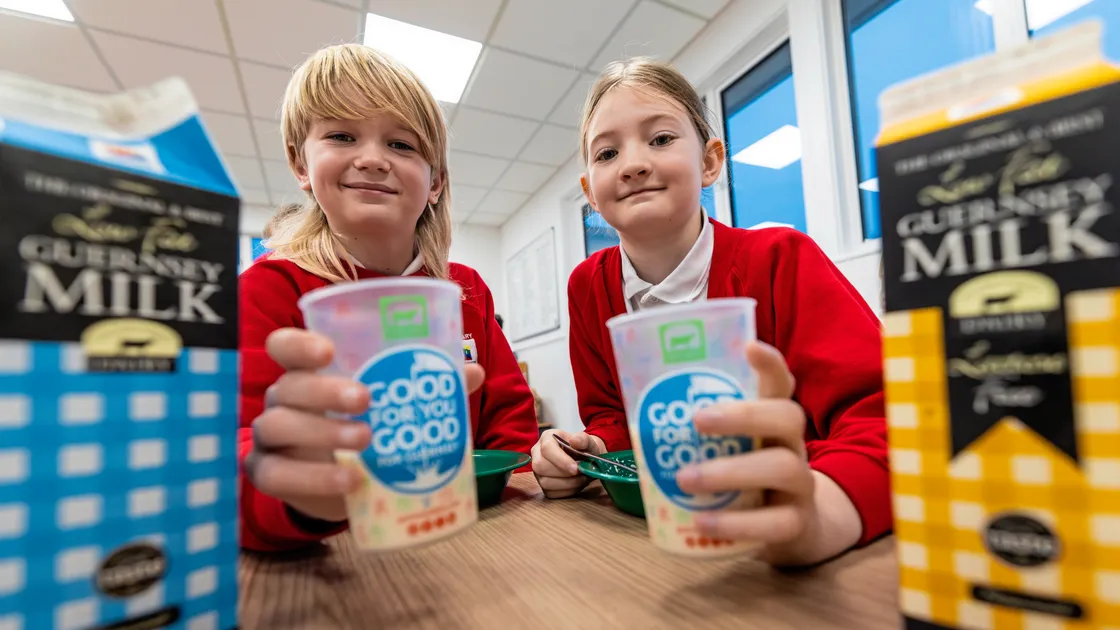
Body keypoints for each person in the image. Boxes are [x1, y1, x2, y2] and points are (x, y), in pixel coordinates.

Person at [531, 58, 890, 567]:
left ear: (710, 162)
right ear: (590, 192)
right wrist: (590, 448)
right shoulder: (587, 287)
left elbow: (885, 416)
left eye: (660, 139)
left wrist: (820, 513)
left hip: (782, 535)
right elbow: (613, 417)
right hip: (651, 541)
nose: (633, 164)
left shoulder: (781, 259)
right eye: (607, 153)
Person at [238, 44, 537, 552]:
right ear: (300, 163)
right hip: (334, 551)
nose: (373, 159)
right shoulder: (269, 289)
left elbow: (511, 424)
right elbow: (237, 454)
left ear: (436, 182)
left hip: (468, 538)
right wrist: (302, 498)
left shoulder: (465, 290)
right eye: (341, 135)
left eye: (401, 144)